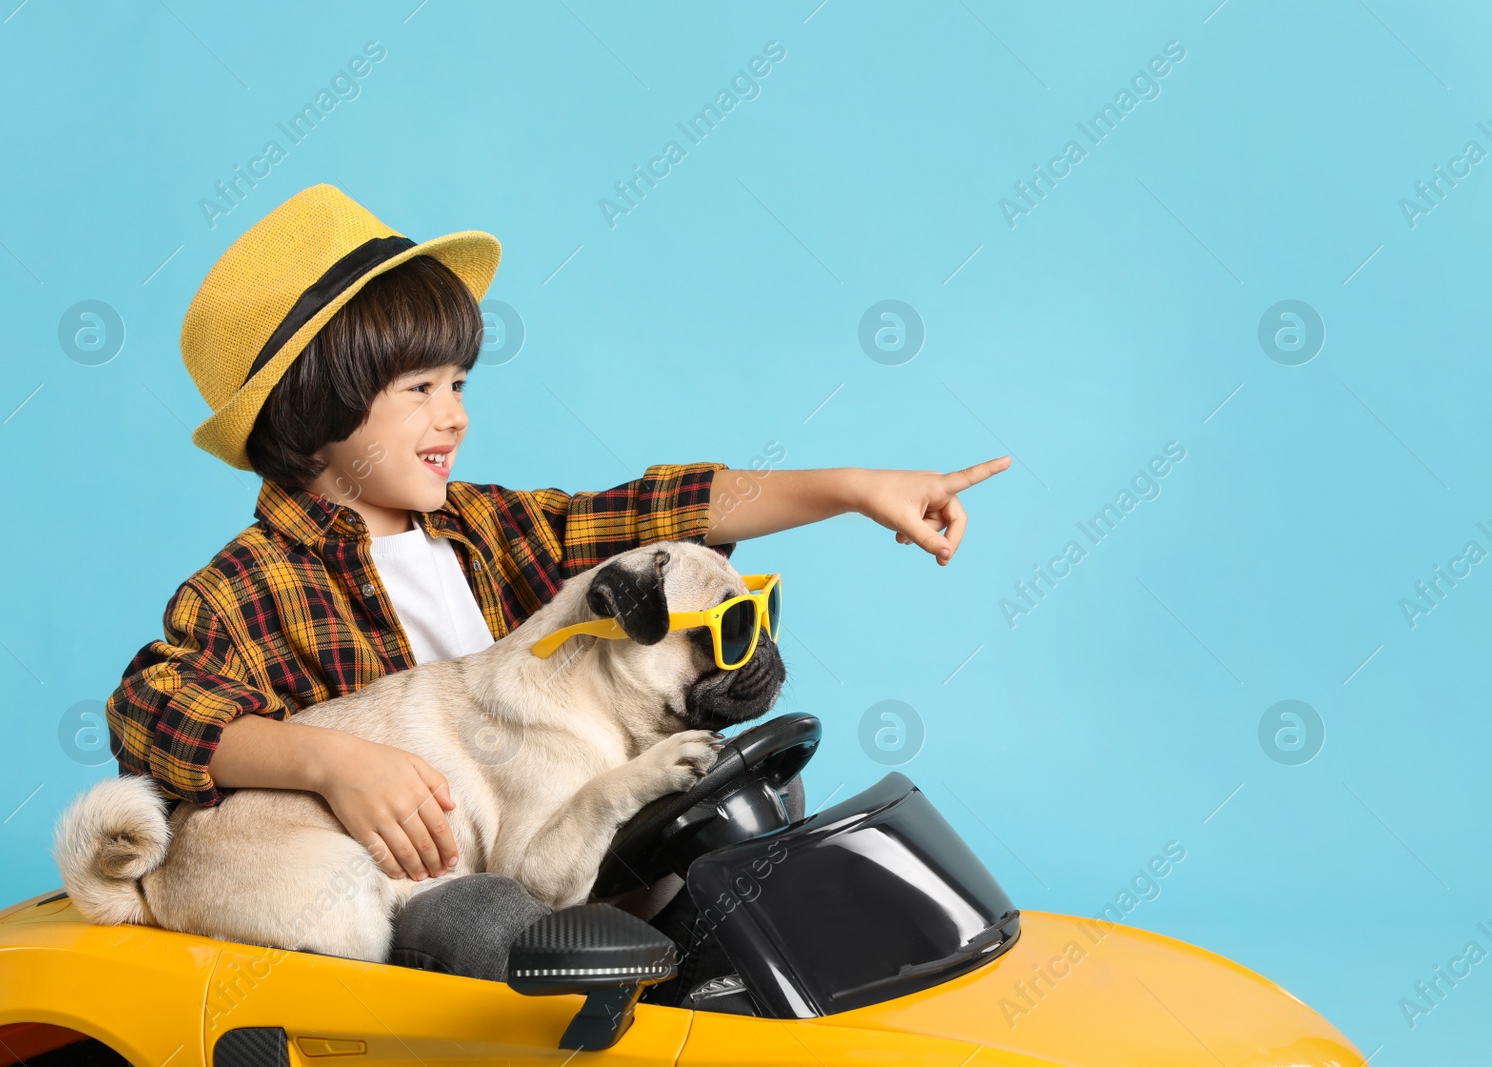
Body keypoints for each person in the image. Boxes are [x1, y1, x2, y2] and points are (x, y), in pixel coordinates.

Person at [105, 183, 1010, 990]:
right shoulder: (252, 582)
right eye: (418, 387)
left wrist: (851, 490)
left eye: (457, 381)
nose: (453, 412)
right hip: (413, 881)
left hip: (558, 830)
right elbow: (150, 704)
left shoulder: (489, 527)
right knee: (493, 920)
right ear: (313, 410)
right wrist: (333, 762)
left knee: (753, 823)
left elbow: (656, 513)